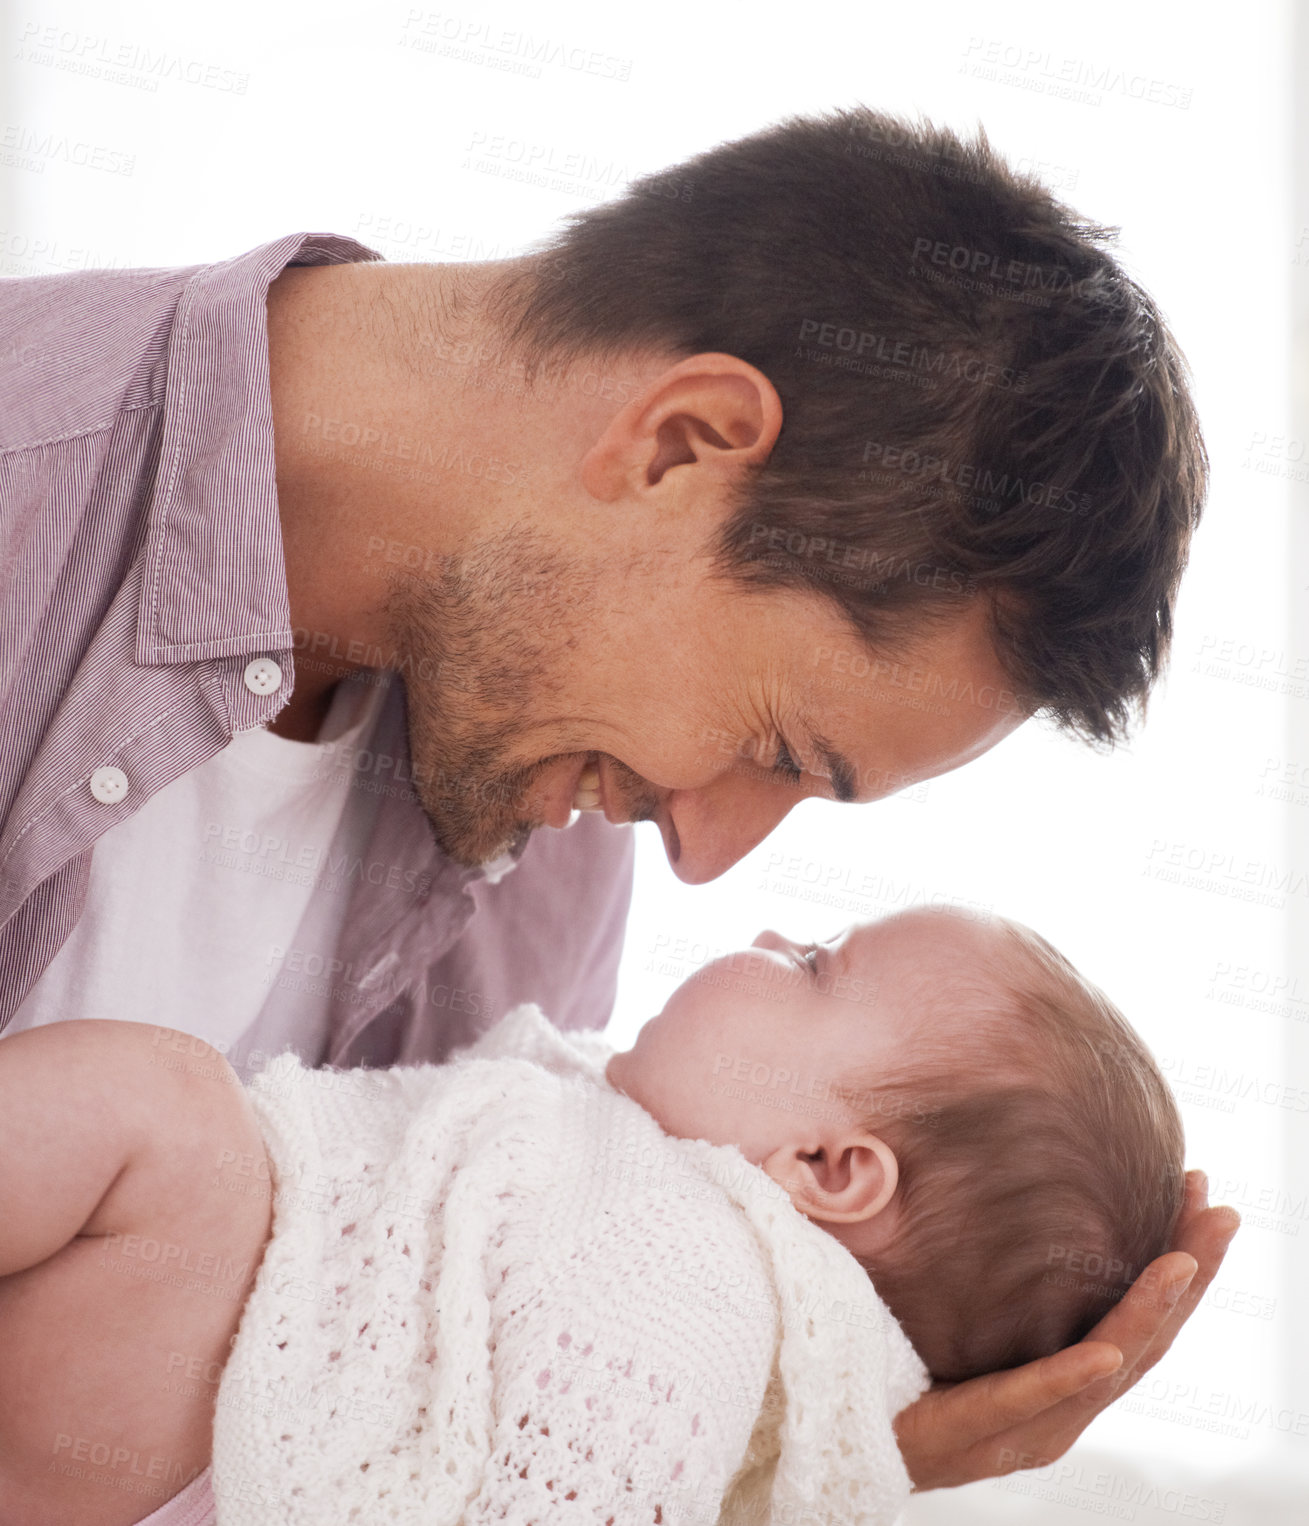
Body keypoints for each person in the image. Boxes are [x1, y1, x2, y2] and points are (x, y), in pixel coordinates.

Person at [0, 104, 1236, 1488]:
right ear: (679, 443)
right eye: (777, 743)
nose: (702, 855)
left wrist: (764, 1443)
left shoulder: (545, 852)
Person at [0, 906, 1193, 1526]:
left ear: (829, 1165)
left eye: (820, 962)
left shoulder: (691, 1278)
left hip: (219, 1441)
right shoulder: (630, 1149)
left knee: (155, 1103)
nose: (775, 934)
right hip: (181, 1383)